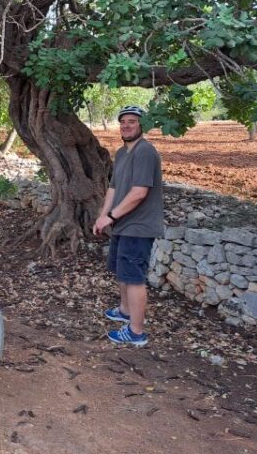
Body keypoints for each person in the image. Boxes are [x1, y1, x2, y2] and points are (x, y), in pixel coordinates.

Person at [93, 106, 164, 347]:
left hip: (139, 226)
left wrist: (111, 217)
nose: (126, 125)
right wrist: (102, 216)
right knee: (122, 271)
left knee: (134, 278)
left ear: (142, 125)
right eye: (123, 122)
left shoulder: (145, 152)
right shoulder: (122, 153)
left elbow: (139, 193)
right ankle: (125, 310)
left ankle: (136, 332)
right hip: (122, 223)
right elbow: (113, 189)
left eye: (132, 121)